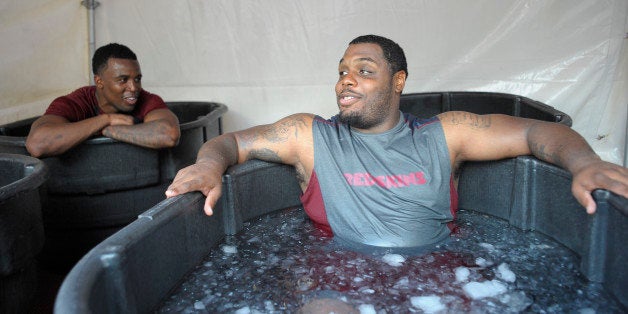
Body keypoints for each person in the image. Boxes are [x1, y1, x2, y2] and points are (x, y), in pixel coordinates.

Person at [166, 35, 628, 248]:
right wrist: (209, 166)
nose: (346, 80)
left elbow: (534, 131)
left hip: (437, 270)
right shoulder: (309, 135)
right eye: (342, 71)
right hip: (338, 273)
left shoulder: (445, 134)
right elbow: (229, 144)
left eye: (364, 70)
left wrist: (584, 162)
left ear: (399, 80)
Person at [26, 43, 180, 158]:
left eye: (137, 79)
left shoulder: (148, 99)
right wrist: (106, 119)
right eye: (123, 80)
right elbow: (37, 144)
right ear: (99, 82)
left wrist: (106, 130)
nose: (133, 87)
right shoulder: (75, 102)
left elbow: (168, 134)